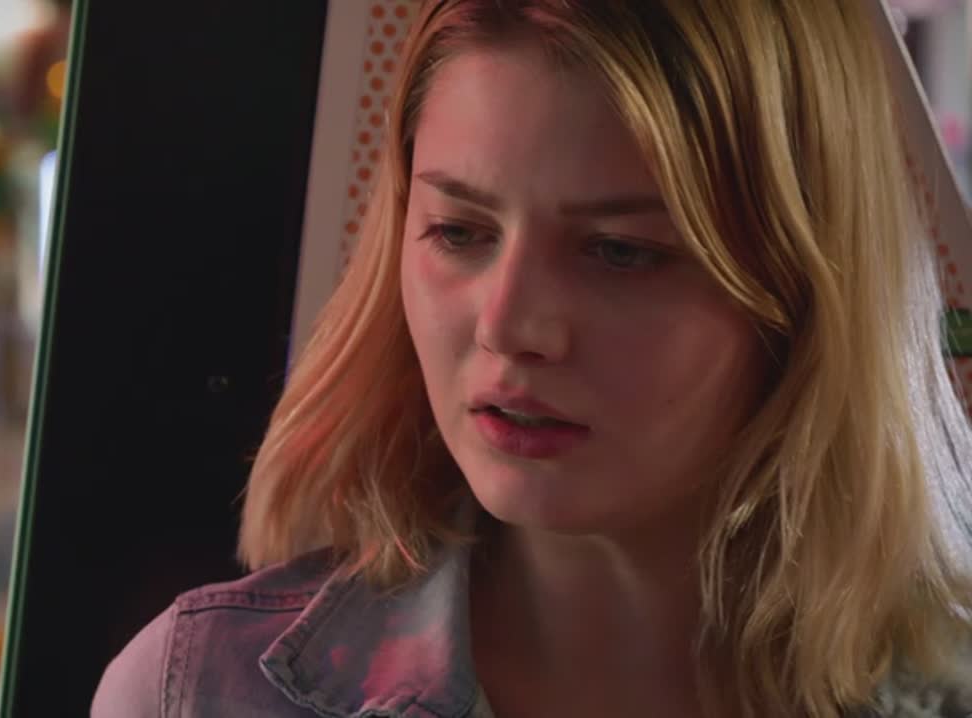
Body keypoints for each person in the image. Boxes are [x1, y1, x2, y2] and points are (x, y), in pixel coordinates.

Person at [93, 1, 972, 715]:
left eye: (620, 251)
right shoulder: (202, 695)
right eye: (459, 231)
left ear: (803, 291)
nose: (509, 325)